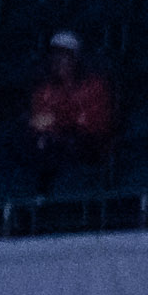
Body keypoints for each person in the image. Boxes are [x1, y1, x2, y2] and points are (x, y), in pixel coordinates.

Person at [23, 32, 121, 185]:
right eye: (55, 56)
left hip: (88, 145)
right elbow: (38, 122)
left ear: (75, 58)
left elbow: (93, 123)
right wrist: (63, 121)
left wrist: (58, 120)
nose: (58, 61)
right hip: (54, 144)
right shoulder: (44, 91)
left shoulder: (94, 86)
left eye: (64, 56)